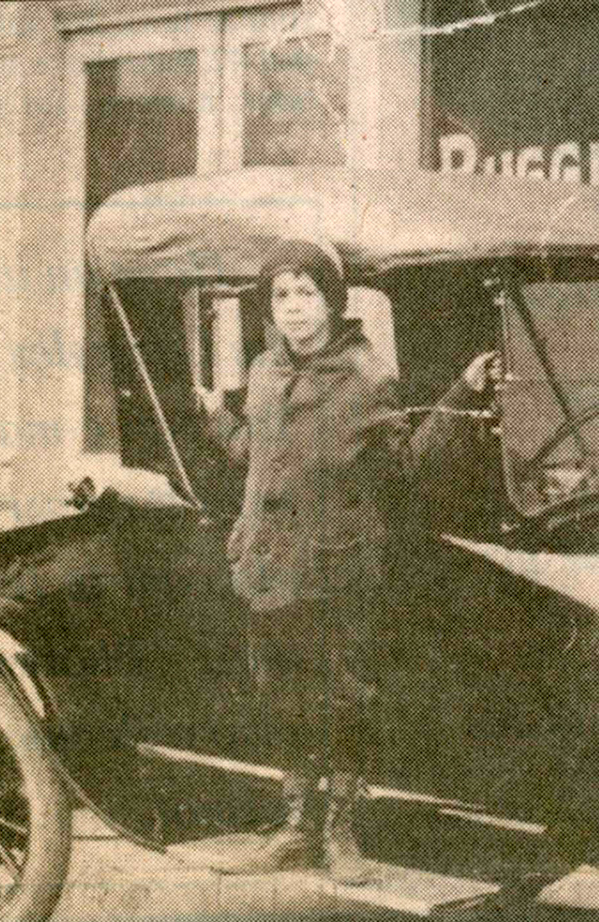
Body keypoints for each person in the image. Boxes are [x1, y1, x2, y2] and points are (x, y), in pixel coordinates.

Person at [197, 239, 491, 882]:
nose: (295, 308)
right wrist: (218, 419)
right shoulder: (264, 373)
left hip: (337, 569)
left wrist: (458, 397)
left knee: (345, 697)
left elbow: (405, 464)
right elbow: (257, 451)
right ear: (269, 309)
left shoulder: (366, 377)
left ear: (331, 301)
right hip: (268, 566)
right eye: (282, 296)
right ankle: (297, 824)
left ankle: (341, 833)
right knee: (282, 698)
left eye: (307, 293)